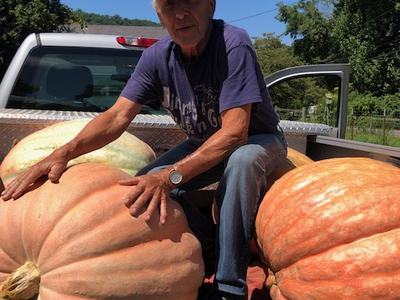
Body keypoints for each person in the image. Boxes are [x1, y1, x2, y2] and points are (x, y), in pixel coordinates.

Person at [1, 0, 287, 299]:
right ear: (159, 16)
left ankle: (229, 286)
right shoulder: (158, 57)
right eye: (169, 6)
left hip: (256, 138)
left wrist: (170, 176)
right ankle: (211, 246)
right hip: (204, 140)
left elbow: (234, 133)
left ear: (211, 5)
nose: (180, 14)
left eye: (190, 2)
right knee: (142, 185)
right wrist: (63, 153)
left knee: (240, 163)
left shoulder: (233, 43)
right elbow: (116, 116)